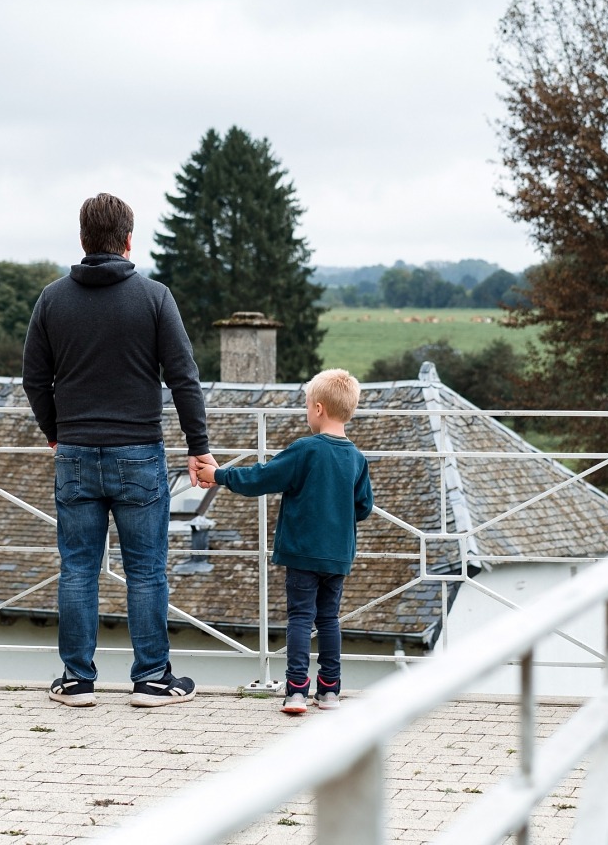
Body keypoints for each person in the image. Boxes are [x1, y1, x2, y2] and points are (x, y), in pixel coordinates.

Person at [24, 192, 216, 708]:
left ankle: (76, 681)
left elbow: (34, 379)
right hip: (139, 454)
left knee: (78, 569)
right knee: (147, 570)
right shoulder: (155, 297)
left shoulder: (51, 299)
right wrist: (199, 449)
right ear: (129, 241)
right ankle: (152, 679)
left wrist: (55, 431)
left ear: (83, 239)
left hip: (76, 454)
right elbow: (184, 379)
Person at [198, 369, 374, 714]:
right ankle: (330, 692)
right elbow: (363, 507)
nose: (307, 412)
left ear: (319, 408)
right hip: (338, 554)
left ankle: (296, 690)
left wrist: (218, 475)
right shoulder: (357, 458)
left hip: (301, 551)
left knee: (299, 618)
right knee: (328, 619)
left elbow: (261, 478)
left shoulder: (305, 449)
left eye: (307, 406)